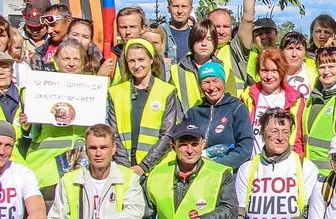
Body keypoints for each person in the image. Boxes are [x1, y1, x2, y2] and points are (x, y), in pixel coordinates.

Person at [21, 42, 91, 202]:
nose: (71, 63)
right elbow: (28, 133)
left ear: (83, 62)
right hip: (46, 169)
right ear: (56, 61)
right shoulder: (38, 88)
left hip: (81, 168)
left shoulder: (93, 90)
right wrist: (26, 125)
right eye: (66, 58)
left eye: (76, 59)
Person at [106, 39, 183, 176]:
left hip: (157, 167)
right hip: (124, 168)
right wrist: (125, 167)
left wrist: (144, 166)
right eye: (132, 61)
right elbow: (113, 134)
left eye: (141, 59)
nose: (137, 65)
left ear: (151, 60)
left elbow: (167, 135)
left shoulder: (166, 91)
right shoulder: (116, 92)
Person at [187, 60, 254, 171]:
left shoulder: (237, 108)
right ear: (200, 86)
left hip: (228, 173)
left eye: (215, 81)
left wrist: (217, 164)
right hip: (199, 172)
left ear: (223, 82)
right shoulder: (193, 113)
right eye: (206, 82)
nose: (212, 87)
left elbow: (245, 147)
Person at [241, 46, 308, 155]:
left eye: (274, 71)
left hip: (284, 164)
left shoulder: (295, 100)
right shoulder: (247, 96)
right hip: (253, 163)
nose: (269, 76)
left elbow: (298, 140)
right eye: (264, 70)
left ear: (282, 72)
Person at [168, 24, 217, 111]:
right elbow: (172, 106)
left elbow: (229, 106)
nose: (204, 44)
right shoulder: (176, 70)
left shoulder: (225, 69)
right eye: (199, 39)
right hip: (184, 123)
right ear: (191, 41)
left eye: (209, 39)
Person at [28, 3, 74, 71]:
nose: (49, 31)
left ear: (68, 21)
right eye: (46, 26)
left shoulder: (85, 48)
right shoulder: (40, 53)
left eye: (53, 25)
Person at [163, 0, 196, 64]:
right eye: (176, 6)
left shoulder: (196, 35)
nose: (180, 11)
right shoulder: (159, 34)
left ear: (190, 9)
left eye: (184, 6)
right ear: (168, 9)